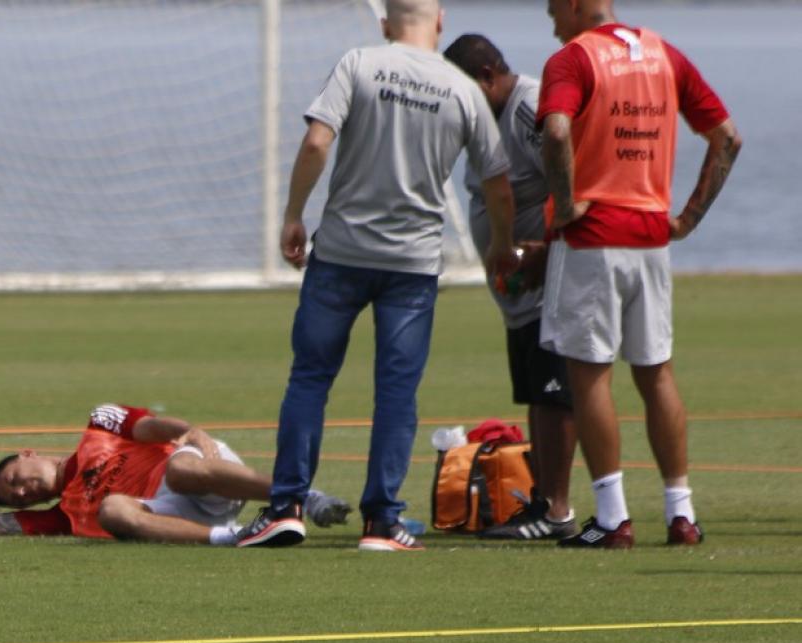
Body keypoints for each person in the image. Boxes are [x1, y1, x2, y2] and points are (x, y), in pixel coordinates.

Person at [237, 0, 515, 553]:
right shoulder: (461, 89)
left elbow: (318, 142)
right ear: (439, 23)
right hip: (411, 267)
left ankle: (285, 507)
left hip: (340, 254)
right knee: (396, 394)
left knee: (310, 379)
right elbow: (498, 183)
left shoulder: (358, 63)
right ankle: (382, 522)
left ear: (386, 23)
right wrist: (503, 249)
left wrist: (295, 214)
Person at [538, 0, 739, 548]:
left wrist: (563, 200)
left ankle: (612, 517)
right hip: (651, 241)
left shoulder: (573, 59)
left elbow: (556, 132)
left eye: (554, 5)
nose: (551, 17)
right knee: (657, 374)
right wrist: (688, 218)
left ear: (578, 3)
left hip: (591, 242)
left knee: (590, 375)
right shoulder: (662, 53)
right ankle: (682, 514)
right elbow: (727, 136)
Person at [444, 33, 579, 541]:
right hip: (518, 292)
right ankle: (541, 503)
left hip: (546, 281)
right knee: (535, 397)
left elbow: (570, 177)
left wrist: (547, 248)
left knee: (554, 393)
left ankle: (557, 510)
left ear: (487, 78)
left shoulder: (528, 109)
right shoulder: (488, 115)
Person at [0, 404, 351, 545]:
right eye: (21, 498)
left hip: (192, 467)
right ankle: (239, 536)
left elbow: (149, 427)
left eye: (16, 478)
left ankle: (306, 497)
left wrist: (193, 432)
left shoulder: (98, 425)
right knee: (111, 511)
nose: (25, 490)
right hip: (170, 512)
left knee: (186, 468)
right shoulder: (65, 514)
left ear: (27, 452)